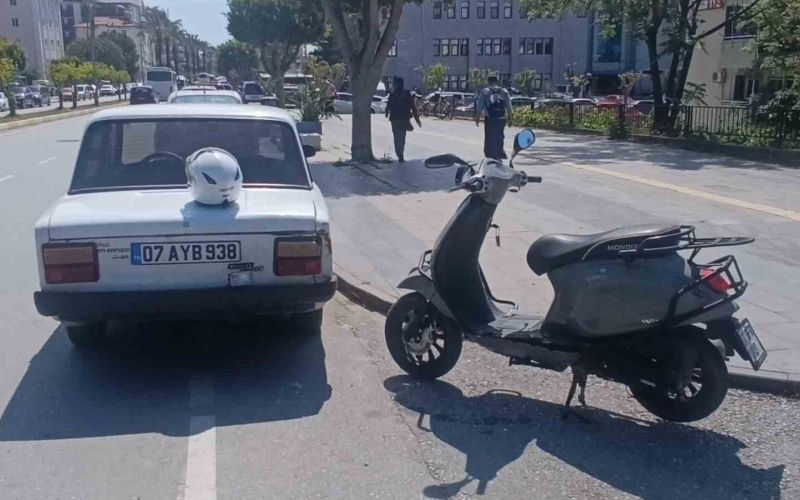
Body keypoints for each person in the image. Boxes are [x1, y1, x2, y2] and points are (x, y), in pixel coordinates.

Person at [475, 75, 513, 160]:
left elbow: (479, 106)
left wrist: (477, 118)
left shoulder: (485, 91)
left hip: (490, 118)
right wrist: (510, 119)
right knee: (500, 135)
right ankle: (500, 152)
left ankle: (491, 154)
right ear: (497, 81)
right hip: (502, 118)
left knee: (489, 136)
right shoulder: (504, 91)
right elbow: (509, 107)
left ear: (488, 82)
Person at [385, 77, 422, 162]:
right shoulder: (406, 94)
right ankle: (400, 153)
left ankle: (399, 154)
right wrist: (417, 120)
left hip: (395, 119)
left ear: (395, 85)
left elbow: (388, 106)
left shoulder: (393, 95)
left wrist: (386, 113)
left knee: (397, 137)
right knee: (402, 137)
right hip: (404, 118)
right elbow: (413, 108)